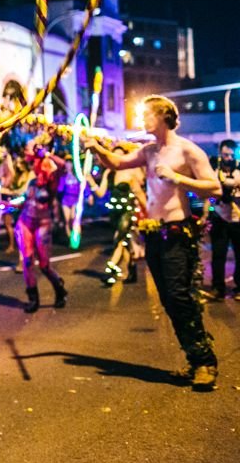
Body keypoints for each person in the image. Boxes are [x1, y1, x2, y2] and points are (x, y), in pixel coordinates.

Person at [85, 95, 221, 391]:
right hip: (154, 233)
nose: (142, 119)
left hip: (177, 232)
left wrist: (177, 178)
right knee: (169, 299)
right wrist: (97, 147)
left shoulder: (187, 150)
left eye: (147, 115)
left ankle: (205, 362)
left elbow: (214, 187)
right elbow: (117, 161)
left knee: (180, 295)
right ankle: (194, 358)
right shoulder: (148, 151)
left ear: (163, 117)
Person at [16, 138, 69, 312]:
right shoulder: (30, 180)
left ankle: (59, 289)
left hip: (43, 223)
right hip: (25, 222)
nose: (24, 152)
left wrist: (46, 153)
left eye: (28, 149)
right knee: (27, 261)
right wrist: (8, 204)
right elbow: (25, 201)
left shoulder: (50, 180)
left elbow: (64, 167)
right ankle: (33, 298)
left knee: (45, 265)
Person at [88, 144, 147, 285]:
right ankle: (132, 270)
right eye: (114, 155)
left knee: (119, 240)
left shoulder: (130, 172)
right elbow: (100, 193)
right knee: (124, 242)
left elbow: (139, 193)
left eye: (120, 154)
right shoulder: (109, 173)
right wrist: (90, 181)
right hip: (115, 212)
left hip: (128, 211)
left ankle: (111, 270)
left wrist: (148, 212)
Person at [201, 139, 240, 301]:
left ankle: (238, 287)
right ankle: (218, 288)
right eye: (225, 154)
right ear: (220, 153)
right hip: (219, 215)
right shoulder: (214, 170)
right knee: (218, 254)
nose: (229, 158)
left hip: (237, 216)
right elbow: (209, 194)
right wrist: (204, 215)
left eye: (232, 155)